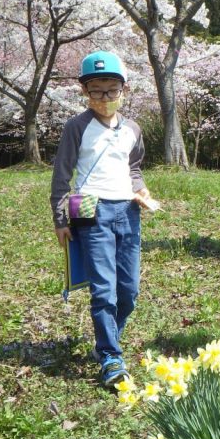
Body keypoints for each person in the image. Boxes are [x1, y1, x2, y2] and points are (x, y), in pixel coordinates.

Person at [50, 51, 154, 388]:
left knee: (129, 291)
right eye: (96, 90)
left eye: (111, 90)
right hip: (90, 210)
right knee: (103, 290)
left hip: (128, 211)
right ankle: (110, 355)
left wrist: (140, 190)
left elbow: (134, 167)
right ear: (84, 91)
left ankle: (107, 340)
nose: (105, 97)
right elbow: (62, 176)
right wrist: (60, 217)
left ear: (123, 89)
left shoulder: (133, 129)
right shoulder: (76, 127)